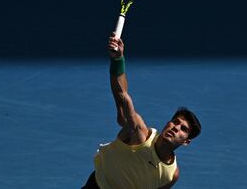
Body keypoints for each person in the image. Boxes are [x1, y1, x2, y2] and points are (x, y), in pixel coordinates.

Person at [82, 33, 201, 189]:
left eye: (183, 129)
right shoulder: (138, 132)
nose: (176, 127)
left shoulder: (171, 175)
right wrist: (118, 59)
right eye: (175, 122)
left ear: (186, 141)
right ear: (168, 123)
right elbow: (121, 95)